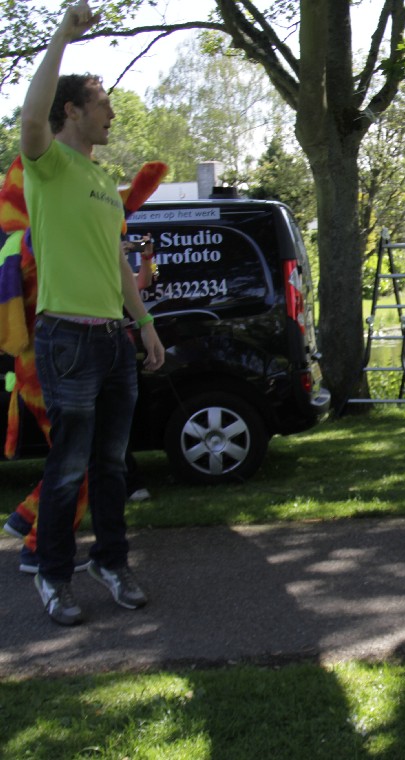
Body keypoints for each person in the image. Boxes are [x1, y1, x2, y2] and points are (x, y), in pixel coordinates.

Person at [20, 0, 165, 626]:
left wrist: (145, 323)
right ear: (72, 111)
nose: (111, 112)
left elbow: (115, 264)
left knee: (111, 466)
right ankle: (53, 576)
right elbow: (32, 115)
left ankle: (111, 562)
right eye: (102, 102)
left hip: (112, 342)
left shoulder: (105, 183)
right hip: (66, 340)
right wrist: (63, 34)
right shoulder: (47, 162)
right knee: (68, 468)